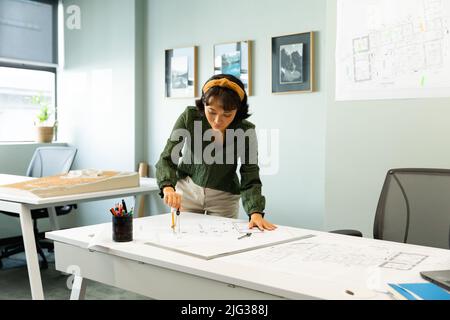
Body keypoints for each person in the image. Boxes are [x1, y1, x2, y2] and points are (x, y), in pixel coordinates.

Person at [155, 74, 276, 231]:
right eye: (212, 112)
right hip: (187, 191)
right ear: (203, 104)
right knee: (184, 238)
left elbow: (250, 174)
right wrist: (168, 188)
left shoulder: (246, 131)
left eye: (227, 115)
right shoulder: (189, 117)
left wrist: (255, 212)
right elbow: (168, 157)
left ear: (237, 111)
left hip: (224, 197)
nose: (218, 120)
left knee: (221, 244)